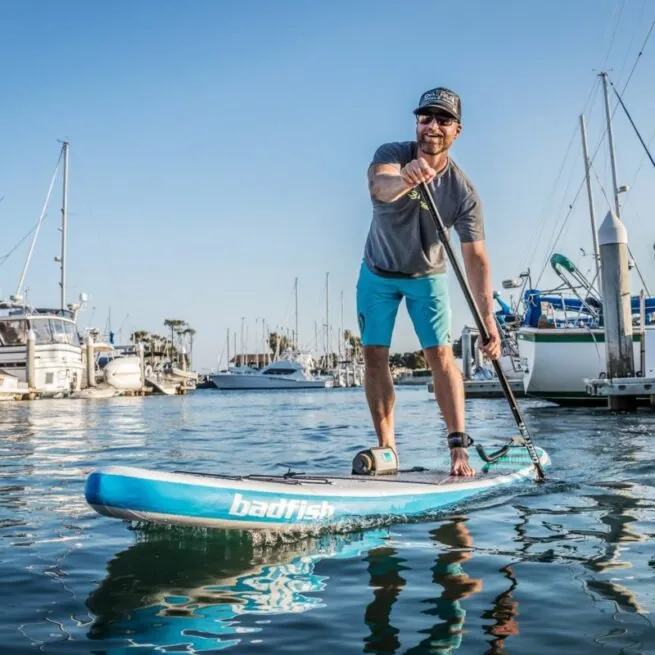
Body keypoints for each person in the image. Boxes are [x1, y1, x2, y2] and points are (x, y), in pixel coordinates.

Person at [357, 86, 501, 476]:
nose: (433, 126)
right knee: (374, 356)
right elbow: (379, 188)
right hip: (378, 273)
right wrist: (406, 176)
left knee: (440, 355)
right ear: (417, 124)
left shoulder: (463, 192)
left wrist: (488, 319)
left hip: (427, 276)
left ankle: (458, 448)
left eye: (443, 120)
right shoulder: (391, 155)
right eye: (426, 118)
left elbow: (476, 258)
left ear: (457, 130)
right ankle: (388, 449)